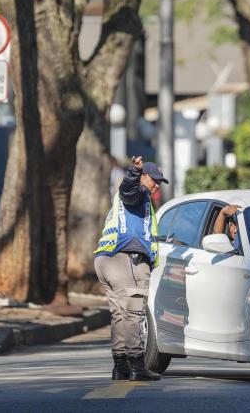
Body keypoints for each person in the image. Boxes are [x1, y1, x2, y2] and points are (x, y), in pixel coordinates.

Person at [94, 156, 168, 381]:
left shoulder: (134, 201)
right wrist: (133, 173)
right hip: (127, 260)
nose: (156, 185)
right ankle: (137, 366)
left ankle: (121, 367)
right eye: (154, 180)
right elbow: (128, 190)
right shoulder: (137, 193)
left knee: (120, 315)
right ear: (143, 177)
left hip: (105, 260)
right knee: (134, 313)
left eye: (159, 182)